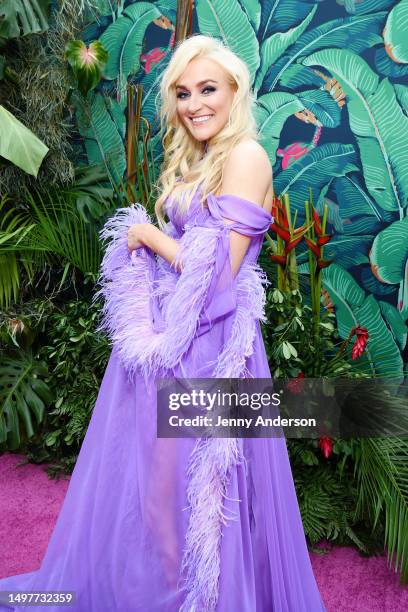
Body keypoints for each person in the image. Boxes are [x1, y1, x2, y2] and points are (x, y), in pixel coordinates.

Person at [0, 34, 326, 611]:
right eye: (182, 92)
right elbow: (191, 255)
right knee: (157, 495)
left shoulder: (245, 155)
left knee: (201, 496)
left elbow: (220, 278)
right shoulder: (196, 154)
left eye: (208, 89)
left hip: (213, 346)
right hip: (172, 339)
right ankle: (171, 596)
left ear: (235, 92)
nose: (195, 103)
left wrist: (150, 237)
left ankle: (202, 600)